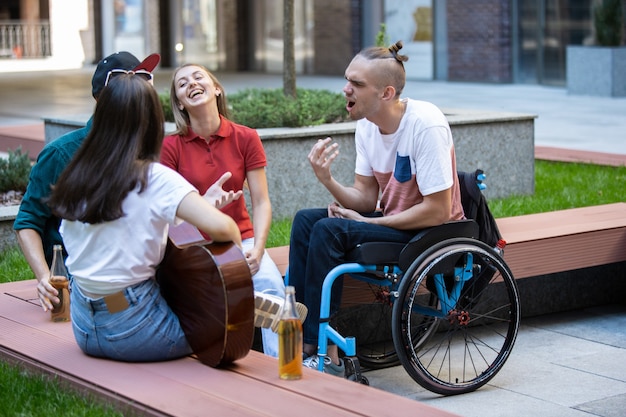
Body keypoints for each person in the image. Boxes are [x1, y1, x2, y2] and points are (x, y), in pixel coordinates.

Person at [289, 41, 465, 376]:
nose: (346, 89)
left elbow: (438, 211)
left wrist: (373, 222)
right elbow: (366, 200)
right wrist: (327, 180)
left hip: (430, 232)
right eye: (347, 80)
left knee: (329, 230)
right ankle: (305, 340)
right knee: (306, 221)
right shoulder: (367, 126)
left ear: (385, 93)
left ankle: (321, 352)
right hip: (396, 223)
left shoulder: (425, 124)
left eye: (356, 84)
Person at [46, 73, 242, 362]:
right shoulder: (154, 178)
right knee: (222, 329)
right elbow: (226, 229)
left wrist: (198, 206)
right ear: (150, 123)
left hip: (85, 325)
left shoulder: (78, 174)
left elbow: (126, 227)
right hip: (134, 330)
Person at [160, 64, 305, 358]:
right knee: (206, 297)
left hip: (242, 241)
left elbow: (262, 202)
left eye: (198, 77)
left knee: (272, 288)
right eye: (182, 84)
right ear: (179, 103)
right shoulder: (170, 146)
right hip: (191, 245)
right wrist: (202, 204)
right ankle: (236, 299)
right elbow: (166, 215)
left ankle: (284, 367)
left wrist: (260, 248)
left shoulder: (246, 137)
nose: (191, 84)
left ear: (216, 88)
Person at [14, 51, 160, 312]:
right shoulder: (61, 154)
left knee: (210, 302)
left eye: (145, 81)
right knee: (123, 314)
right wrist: (45, 277)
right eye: (132, 84)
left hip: (139, 275)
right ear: (105, 98)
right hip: (89, 286)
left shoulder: (148, 150)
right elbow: (27, 222)